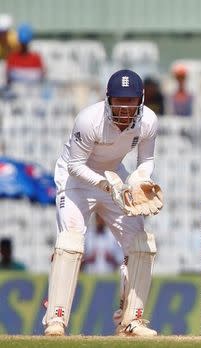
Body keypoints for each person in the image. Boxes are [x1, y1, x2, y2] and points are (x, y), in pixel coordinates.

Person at [42, 69, 163, 337]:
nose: (124, 107)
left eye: (130, 101)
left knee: (141, 244)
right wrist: (106, 185)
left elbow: (145, 162)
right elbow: (75, 165)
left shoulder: (149, 121)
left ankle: (132, 320)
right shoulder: (89, 120)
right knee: (70, 241)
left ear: (141, 100)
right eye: (119, 100)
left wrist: (137, 181)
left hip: (113, 176)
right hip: (76, 178)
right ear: (108, 99)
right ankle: (56, 318)